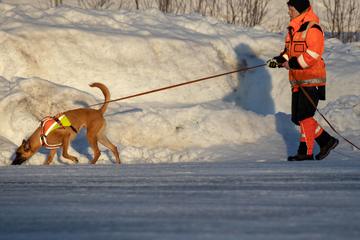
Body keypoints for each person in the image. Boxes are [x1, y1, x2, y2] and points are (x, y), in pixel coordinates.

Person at [268, 0, 338, 161]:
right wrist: (278, 60)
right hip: (298, 81)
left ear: (299, 9)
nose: (289, 12)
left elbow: (313, 55)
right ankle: (326, 141)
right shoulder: (293, 29)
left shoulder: (312, 29)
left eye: (291, 9)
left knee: (305, 116)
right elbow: (288, 53)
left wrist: (291, 63)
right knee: (298, 118)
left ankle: (305, 152)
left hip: (311, 80)